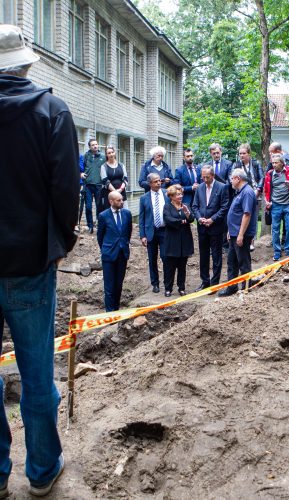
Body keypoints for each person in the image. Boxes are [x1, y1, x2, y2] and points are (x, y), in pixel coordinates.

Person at [0, 25, 79, 496]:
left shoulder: (55, 110)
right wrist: (59, 244)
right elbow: (66, 191)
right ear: (27, 64)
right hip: (30, 264)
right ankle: (42, 471)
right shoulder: (53, 111)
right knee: (35, 373)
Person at [218, 169, 258, 297]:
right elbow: (236, 213)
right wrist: (231, 231)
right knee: (232, 261)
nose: (230, 181)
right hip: (234, 233)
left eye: (231, 179)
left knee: (243, 261)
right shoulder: (240, 192)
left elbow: (246, 215)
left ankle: (247, 286)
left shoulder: (247, 192)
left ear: (238, 179)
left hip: (242, 235)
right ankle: (232, 287)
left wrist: (240, 234)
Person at [192, 166, 229, 291]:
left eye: (207, 177)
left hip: (216, 227)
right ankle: (205, 281)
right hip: (202, 227)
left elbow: (224, 207)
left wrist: (212, 219)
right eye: (203, 177)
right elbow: (195, 206)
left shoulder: (222, 187)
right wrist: (199, 218)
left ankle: (215, 283)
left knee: (217, 256)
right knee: (203, 255)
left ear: (213, 176)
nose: (205, 179)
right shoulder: (200, 188)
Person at [97, 192, 132, 312]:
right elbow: (100, 236)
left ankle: (116, 310)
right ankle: (109, 313)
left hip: (122, 253)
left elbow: (128, 232)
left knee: (118, 285)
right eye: (118, 200)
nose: (122, 202)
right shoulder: (103, 215)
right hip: (109, 255)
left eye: (122, 200)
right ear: (111, 201)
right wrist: (106, 249)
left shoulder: (127, 214)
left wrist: (124, 245)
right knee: (109, 286)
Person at [139, 173, 169, 294]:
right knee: (152, 259)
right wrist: (142, 235)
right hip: (151, 232)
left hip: (165, 230)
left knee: (165, 257)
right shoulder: (144, 198)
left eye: (159, 181)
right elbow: (141, 218)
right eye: (155, 181)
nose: (158, 183)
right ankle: (155, 283)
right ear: (150, 183)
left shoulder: (167, 193)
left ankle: (168, 283)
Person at [162, 185, 195, 297]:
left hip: (184, 240)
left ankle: (181, 288)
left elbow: (191, 219)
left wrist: (187, 213)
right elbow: (168, 220)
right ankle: (168, 288)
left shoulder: (186, 206)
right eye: (177, 194)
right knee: (169, 266)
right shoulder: (167, 207)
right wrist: (181, 222)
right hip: (172, 240)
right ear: (171, 196)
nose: (180, 196)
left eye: (181, 194)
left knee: (182, 266)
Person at [263, 154, 289, 260]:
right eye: (272, 163)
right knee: (275, 228)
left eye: (276, 163)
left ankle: (287, 249)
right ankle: (277, 251)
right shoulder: (270, 174)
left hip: (288, 205)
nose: (274, 165)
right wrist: (267, 201)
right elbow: (266, 190)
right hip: (275, 205)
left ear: (282, 163)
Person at [232, 144, 263, 251]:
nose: (242, 155)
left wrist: (258, 190)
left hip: (255, 194)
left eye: (244, 153)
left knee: (252, 218)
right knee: (242, 217)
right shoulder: (236, 165)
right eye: (240, 153)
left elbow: (261, 178)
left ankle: (251, 242)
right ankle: (242, 238)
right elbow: (231, 179)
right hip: (241, 194)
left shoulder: (255, 164)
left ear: (249, 154)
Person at [82, 138, 105, 233]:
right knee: (88, 207)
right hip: (87, 185)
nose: (95, 146)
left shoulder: (103, 156)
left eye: (96, 144)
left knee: (99, 206)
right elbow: (81, 167)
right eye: (93, 145)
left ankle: (99, 225)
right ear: (89, 147)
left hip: (98, 185)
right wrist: (81, 174)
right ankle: (90, 226)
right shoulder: (86, 156)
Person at [100, 145, 128, 210]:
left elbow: (125, 179)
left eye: (112, 152)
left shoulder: (121, 165)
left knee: (123, 212)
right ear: (106, 155)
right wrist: (115, 192)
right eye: (109, 153)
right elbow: (105, 181)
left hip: (122, 193)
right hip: (109, 194)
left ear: (115, 153)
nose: (111, 154)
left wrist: (120, 190)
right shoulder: (104, 166)